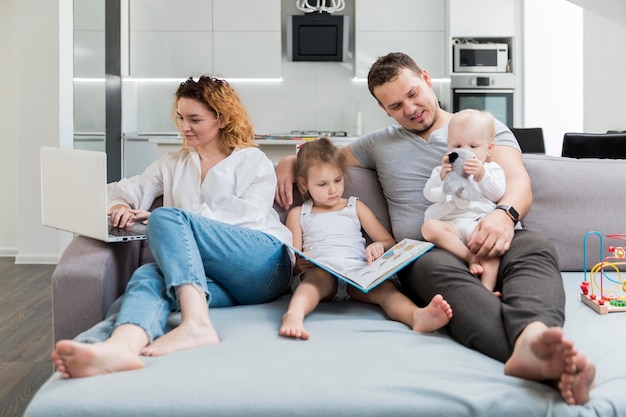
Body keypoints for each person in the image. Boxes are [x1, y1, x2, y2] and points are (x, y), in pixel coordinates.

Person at [275, 52, 595, 405]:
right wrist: (290, 160)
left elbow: (518, 182)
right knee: (432, 267)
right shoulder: (377, 143)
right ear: (385, 110)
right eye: (396, 105)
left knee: (536, 247)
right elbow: (323, 156)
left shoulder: (479, 127)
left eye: (413, 93)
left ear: (426, 78)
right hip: (428, 251)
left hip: (497, 231)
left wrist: (505, 215)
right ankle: (536, 352)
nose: (410, 108)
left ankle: (535, 338)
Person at [51, 75, 294, 378]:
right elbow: (116, 191)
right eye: (180, 117)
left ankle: (196, 324)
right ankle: (121, 347)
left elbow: (246, 219)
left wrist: (166, 220)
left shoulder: (252, 161)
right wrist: (119, 207)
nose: (184, 127)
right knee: (149, 275)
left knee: (166, 216)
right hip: (215, 279)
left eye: (195, 119)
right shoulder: (172, 163)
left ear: (221, 118)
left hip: (264, 264)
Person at [279, 138, 452, 340]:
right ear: (303, 183)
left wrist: (378, 246)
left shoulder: (355, 206)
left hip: (358, 274)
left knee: (385, 290)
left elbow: (388, 242)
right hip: (322, 271)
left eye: (338, 180)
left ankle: (416, 316)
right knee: (313, 283)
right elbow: (292, 259)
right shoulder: (299, 213)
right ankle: (293, 315)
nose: (333, 189)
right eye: (322, 184)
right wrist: (301, 263)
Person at [421, 109, 505, 294]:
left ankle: (486, 289)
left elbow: (498, 193)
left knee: (491, 248)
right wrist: (443, 177)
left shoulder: (491, 169)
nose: (465, 152)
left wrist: (481, 174)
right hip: (452, 224)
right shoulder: (442, 170)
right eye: (457, 146)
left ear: (489, 148)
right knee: (429, 228)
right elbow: (430, 195)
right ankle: (470, 258)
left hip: (478, 223)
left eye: (473, 146)